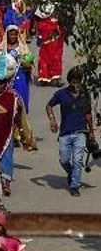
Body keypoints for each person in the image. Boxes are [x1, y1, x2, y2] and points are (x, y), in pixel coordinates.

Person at [46, 66, 95, 197]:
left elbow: (88, 114)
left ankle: (75, 186)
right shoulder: (61, 94)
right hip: (65, 133)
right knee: (64, 160)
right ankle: (72, 172)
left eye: (78, 81)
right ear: (69, 81)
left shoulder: (85, 94)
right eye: (73, 81)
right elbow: (49, 106)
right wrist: (52, 119)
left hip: (81, 132)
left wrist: (91, 132)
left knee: (78, 160)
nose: (75, 84)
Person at [0, 77, 24, 195]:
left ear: (5, 85)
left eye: (1, 84)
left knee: (7, 157)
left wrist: (21, 130)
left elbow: (16, 114)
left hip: (7, 132)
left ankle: (6, 183)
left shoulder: (12, 97)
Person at [34, 4, 65, 87]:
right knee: (51, 61)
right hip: (51, 45)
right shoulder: (47, 23)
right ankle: (50, 78)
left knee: (47, 61)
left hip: (51, 45)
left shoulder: (43, 23)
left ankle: (49, 78)